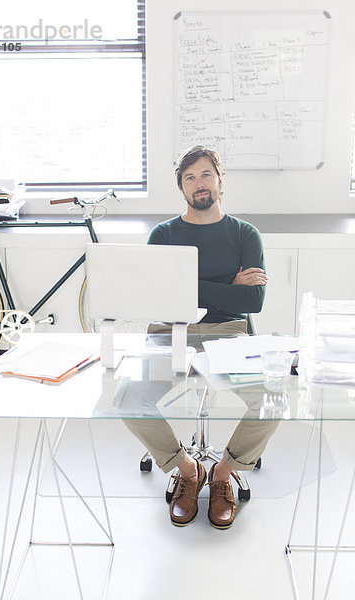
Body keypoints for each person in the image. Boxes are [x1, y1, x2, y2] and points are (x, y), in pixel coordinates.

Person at [124, 145, 278, 529]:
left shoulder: (245, 234)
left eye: (206, 174)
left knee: (273, 401)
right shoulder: (164, 234)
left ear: (220, 180)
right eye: (190, 177)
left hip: (229, 331)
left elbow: (254, 301)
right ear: (182, 187)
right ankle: (187, 469)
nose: (199, 183)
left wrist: (189, 286)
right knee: (127, 397)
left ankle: (225, 472)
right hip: (170, 330)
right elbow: (158, 297)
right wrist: (228, 285)